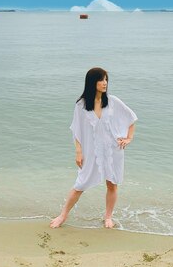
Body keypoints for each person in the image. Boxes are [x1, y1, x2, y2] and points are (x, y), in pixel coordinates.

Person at [50, 67, 138, 229]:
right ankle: (63, 215)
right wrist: (78, 151)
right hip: (92, 151)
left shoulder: (113, 101)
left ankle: (108, 217)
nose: (104, 83)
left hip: (113, 149)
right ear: (92, 82)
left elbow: (131, 118)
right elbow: (76, 129)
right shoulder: (81, 105)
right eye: (101, 79)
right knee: (80, 184)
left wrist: (129, 138)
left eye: (106, 80)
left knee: (112, 184)